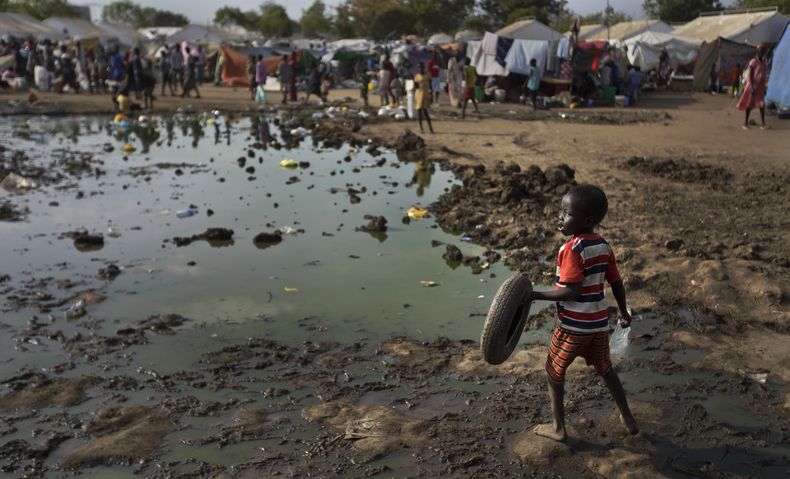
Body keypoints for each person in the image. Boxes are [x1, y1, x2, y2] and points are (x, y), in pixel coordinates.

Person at [525, 184, 639, 443]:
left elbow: (572, 291)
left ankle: (558, 429)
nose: (560, 218)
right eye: (561, 211)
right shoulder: (603, 246)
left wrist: (536, 295)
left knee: (554, 371)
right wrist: (622, 311)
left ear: (587, 220)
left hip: (572, 328)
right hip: (598, 325)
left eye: (566, 213)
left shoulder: (571, 249)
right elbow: (617, 282)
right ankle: (627, 417)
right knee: (606, 369)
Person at [737, 46, 769, 130]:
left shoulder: (763, 63)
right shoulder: (753, 62)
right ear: (758, 52)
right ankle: (745, 123)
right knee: (749, 103)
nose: (762, 54)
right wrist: (751, 86)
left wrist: (765, 85)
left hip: (760, 86)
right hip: (753, 85)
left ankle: (763, 124)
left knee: (761, 104)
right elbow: (750, 75)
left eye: (763, 52)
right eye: (761, 52)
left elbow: (764, 74)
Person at [414, 62, 434, 134]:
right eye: (419, 67)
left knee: (426, 113)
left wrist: (431, 95)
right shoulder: (417, 76)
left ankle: (430, 128)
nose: (420, 69)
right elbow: (416, 87)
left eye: (421, 67)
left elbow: (431, 86)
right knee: (419, 112)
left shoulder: (428, 75)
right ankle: (421, 128)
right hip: (418, 95)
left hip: (425, 95)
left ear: (423, 67)